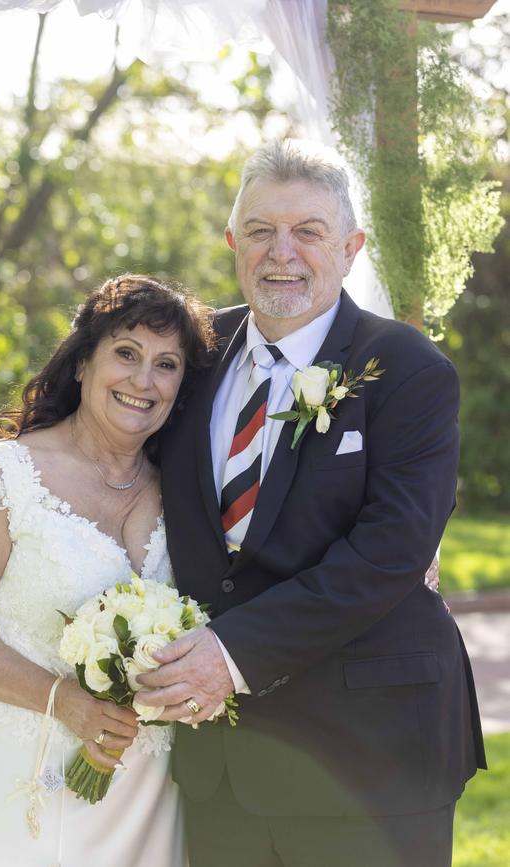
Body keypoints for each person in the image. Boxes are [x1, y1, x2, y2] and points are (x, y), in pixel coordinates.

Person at [137, 141, 486, 867]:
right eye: (260, 230)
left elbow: (392, 551)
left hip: (372, 755)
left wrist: (230, 654)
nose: (280, 253)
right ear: (233, 242)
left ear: (351, 247)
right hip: (223, 764)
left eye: (309, 232)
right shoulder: (194, 355)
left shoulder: (410, 371)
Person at [0, 274, 215, 867]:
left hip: (152, 782)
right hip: (29, 768)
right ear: (83, 363)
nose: (143, 380)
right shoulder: (8, 475)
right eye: (126, 354)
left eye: (166, 364)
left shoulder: (187, 492)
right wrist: (65, 702)